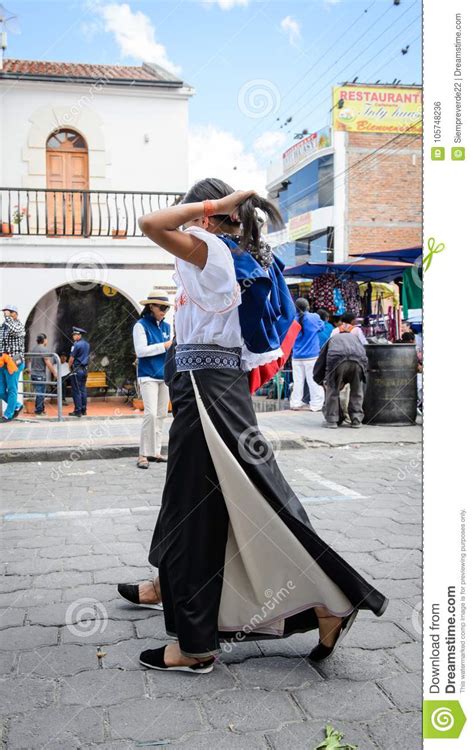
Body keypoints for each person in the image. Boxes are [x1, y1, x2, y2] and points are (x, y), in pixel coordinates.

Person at [117, 178, 388, 675]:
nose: (189, 217)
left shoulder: (209, 249)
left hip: (206, 389)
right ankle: (323, 602)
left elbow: (150, 223)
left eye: (196, 210)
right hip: (214, 386)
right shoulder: (240, 256)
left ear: (207, 215)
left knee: (197, 514)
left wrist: (213, 205)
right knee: (238, 501)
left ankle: (197, 646)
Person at [133, 290, 172, 469]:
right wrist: (164, 346)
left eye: (166, 307)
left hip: (164, 376)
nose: (164, 310)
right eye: (161, 307)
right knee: (150, 414)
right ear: (151, 306)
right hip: (147, 375)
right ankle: (142, 454)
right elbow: (141, 351)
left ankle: (155, 451)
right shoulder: (140, 325)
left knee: (161, 414)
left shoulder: (166, 327)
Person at [314, 329, 369, 429]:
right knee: (357, 390)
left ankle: (332, 420)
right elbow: (364, 355)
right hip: (358, 361)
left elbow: (321, 360)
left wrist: (320, 379)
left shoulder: (332, 339)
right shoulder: (356, 338)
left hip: (337, 361)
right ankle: (356, 420)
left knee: (333, 390)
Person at [290, 298, 325, 412]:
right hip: (312, 356)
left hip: (296, 356)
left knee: (298, 381)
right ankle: (316, 405)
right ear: (308, 306)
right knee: (313, 380)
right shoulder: (314, 317)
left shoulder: (292, 319)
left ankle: (295, 403)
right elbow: (322, 328)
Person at [0, 304, 26, 422]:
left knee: (12, 389)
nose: (5, 314)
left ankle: (8, 414)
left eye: (8, 312)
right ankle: (16, 405)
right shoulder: (3, 326)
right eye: (5, 312)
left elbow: (14, 331)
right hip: (2, 362)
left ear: (15, 313)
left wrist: (8, 318)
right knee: (1, 390)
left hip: (14, 362)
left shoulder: (19, 326)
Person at [28, 334, 57, 415]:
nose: (47, 341)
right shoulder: (43, 349)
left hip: (33, 374)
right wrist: (54, 372)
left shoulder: (33, 349)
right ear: (44, 340)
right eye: (46, 339)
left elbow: (30, 361)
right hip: (40, 375)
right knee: (40, 393)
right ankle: (39, 411)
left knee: (39, 393)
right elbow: (47, 362)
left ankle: (40, 409)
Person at [68, 327, 90, 417]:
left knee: (76, 391)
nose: (73, 336)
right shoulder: (87, 344)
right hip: (84, 370)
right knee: (83, 390)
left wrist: (69, 367)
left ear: (79, 335)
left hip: (77, 370)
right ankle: (84, 410)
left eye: (75, 335)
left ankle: (78, 411)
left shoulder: (76, 345)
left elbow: (71, 359)